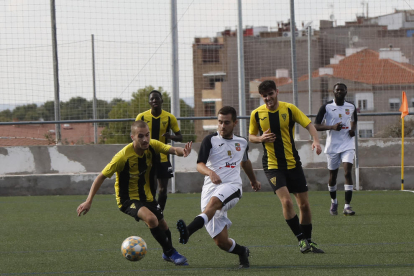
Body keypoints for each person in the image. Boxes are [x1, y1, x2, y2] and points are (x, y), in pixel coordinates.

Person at [77, 121, 192, 265]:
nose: (145, 139)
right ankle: (171, 252)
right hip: (127, 199)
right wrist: (89, 200)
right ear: (133, 137)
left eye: (147, 135)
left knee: (163, 225)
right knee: (151, 219)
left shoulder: (152, 145)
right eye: (140, 136)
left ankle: (166, 252)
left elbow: (173, 149)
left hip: (147, 196)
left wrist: (184, 152)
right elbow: (101, 177)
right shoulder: (122, 157)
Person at [176, 106, 261, 269]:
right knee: (221, 242)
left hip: (232, 187)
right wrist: (210, 173)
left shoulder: (242, 142)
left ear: (235, 123)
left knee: (214, 203)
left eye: (226, 122)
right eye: (220, 122)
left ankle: (188, 231)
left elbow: (244, 162)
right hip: (210, 189)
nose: (222, 126)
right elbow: (199, 165)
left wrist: (253, 180)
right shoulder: (210, 140)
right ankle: (243, 252)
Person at [248, 80, 324, 254]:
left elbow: (309, 125)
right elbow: (251, 136)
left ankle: (309, 241)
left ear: (277, 92)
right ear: (262, 97)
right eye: (265, 96)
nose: (268, 98)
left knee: (304, 205)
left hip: (293, 163)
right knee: (287, 202)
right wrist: (261, 139)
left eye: (270, 94)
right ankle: (300, 240)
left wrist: (316, 141)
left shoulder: (289, 109)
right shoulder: (256, 114)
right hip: (273, 165)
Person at [314, 83, 357, 216]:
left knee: (347, 172)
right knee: (333, 176)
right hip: (332, 146)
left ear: (346, 92)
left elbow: (354, 120)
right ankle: (334, 201)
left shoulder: (351, 106)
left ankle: (347, 206)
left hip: (348, 144)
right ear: (333, 91)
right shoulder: (326, 107)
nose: (339, 92)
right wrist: (332, 127)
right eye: (337, 90)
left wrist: (352, 130)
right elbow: (316, 125)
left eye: (342, 90)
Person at [136, 90, 183, 211]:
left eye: (157, 98)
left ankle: (159, 213)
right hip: (147, 158)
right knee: (150, 189)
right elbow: (135, 137)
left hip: (163, 157)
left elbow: (180, 137)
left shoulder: (169, 117)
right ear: (149, 102)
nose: (154, 101)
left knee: (163, 190)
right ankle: (150, 213)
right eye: (152, 99)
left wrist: (171, 137)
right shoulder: (141, 117)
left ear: (162, 100)